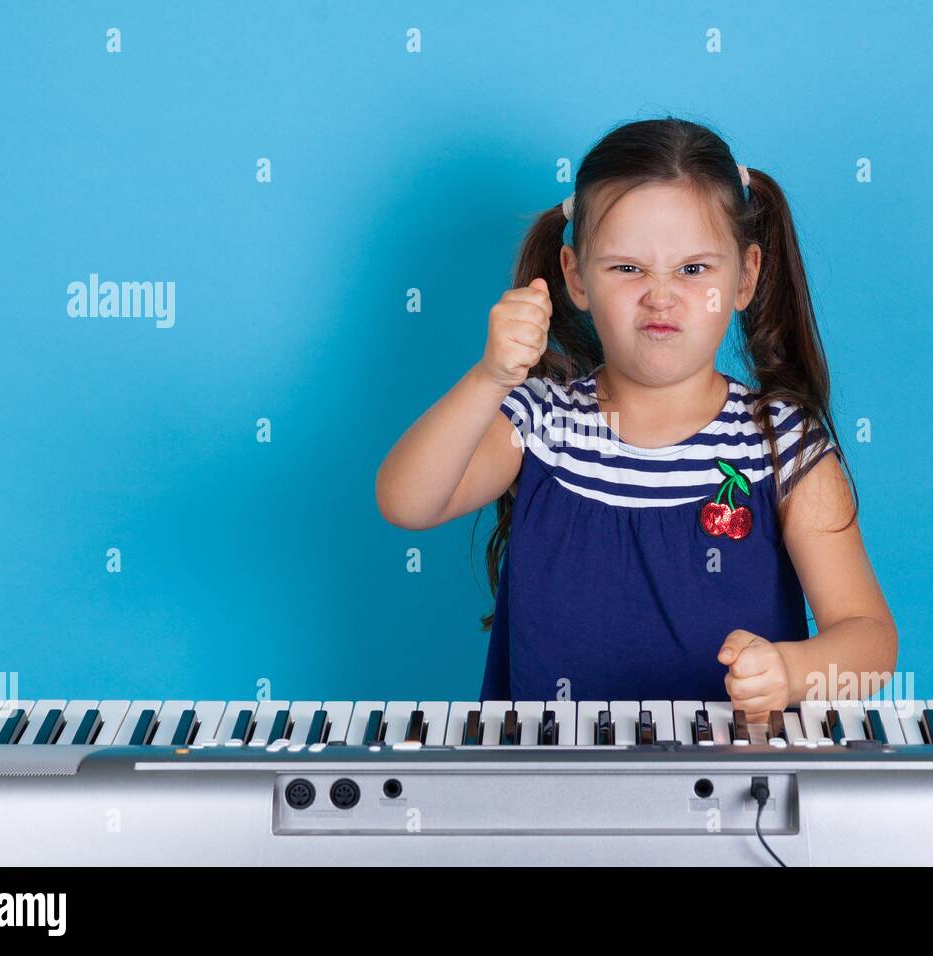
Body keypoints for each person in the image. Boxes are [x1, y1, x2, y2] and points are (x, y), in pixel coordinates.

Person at [377, 117, 896, 719]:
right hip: (549, 788)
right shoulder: (541, 420)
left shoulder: (779, 443)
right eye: (627, 268)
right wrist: (488, 378)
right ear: (575, 276)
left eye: (693, 269)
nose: (660, 295)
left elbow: (870, 641)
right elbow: (406, 502)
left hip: (729, 793)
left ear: (745, 277)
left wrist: (791, 672)